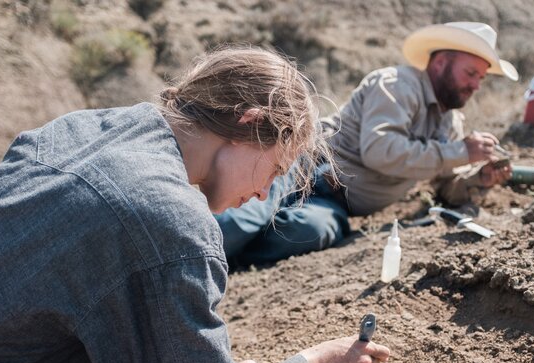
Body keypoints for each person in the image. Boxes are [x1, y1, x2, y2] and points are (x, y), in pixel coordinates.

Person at [0, 46, 392, 363]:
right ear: (251, 121)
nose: (266, 192)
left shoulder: (79, 129)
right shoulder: (168, 222)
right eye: (275, 169)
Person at [216, 22, 517, 265]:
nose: (476, 85)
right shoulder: (398, 84)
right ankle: (199, 253)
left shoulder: (450, 124)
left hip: (335, 202)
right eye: (471, 73)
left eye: (481, 78)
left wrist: (479, 178)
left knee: (309, 232)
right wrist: (460, 151)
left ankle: (221, 261)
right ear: (440, 64)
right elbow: (380, 152)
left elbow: (446, 186)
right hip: (302, 164)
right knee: (244, 221)